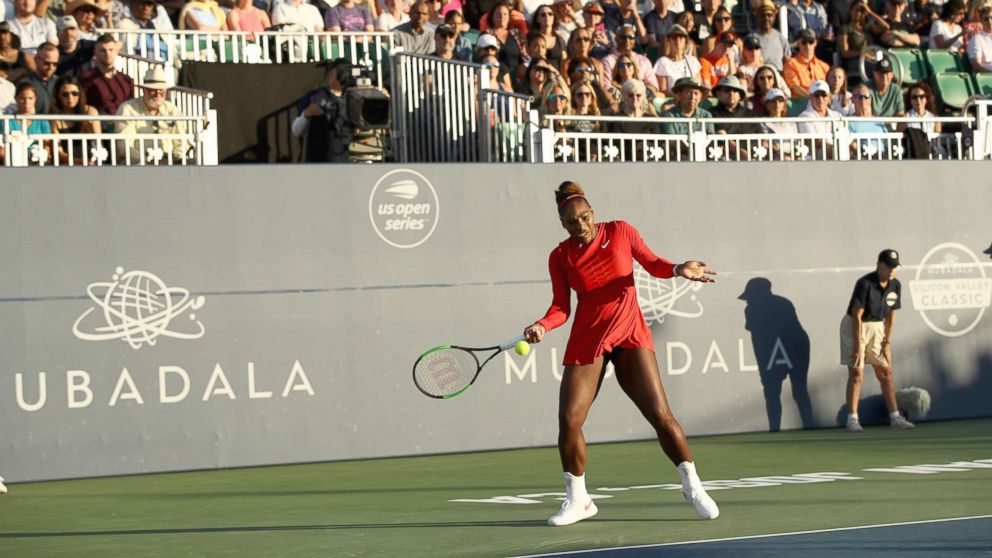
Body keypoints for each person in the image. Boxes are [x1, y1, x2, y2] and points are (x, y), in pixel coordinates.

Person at [522, 181, 720, 527]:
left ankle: (692, 486)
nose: (580, 225)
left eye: (584, 217)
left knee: (660, 415)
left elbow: (653, 263)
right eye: (572, 221)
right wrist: (542, 324)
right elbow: (560, 307)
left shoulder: (621, 231)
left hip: (629, 333)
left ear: (593, 213)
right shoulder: (560, 256)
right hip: (588, 338)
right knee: (569, 420)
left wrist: (679, 269)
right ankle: (579, 499)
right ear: (562, 223)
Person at [841, 249, 915, 432]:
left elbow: (891, 317)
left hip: (877, 327)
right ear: (879, 265)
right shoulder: (865, 283)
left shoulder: (896, 285)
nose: (891, 270)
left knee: (886, 373)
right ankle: (852, 419)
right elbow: (857, 315)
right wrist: (858, 345)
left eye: (895, 267)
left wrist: (887, 343)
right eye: (888, 266)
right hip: (854, 326)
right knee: (857, 374)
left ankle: (895, 418)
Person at [116, 67, 189, 163]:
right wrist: (146, 160)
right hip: (138, 165)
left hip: (170, 164)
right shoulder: (128, 109)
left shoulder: (172, 109)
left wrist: (174, 158)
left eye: (161, 90)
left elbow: (182, 141)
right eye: (153, 90)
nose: (158, 94)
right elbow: (124, 146)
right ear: (144, 90)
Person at [292, 59, 354, 163]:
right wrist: (307, 113)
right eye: (338, 72)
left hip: (347, 161)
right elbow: (296, 131)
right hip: (318, 161)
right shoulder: (315, 96)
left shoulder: (356, 97)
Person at [80, 34, 135, 116]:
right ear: (95, 52)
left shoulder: (127, 80)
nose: (107, 53)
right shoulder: (85, 78)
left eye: (111, 50)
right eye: (103, 50)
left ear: (116, 51)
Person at [51, 75, 99, 163]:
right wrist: (77, 161)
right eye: (65, 94)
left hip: (91, 163)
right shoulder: (55, 117)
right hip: (67, 166)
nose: (70, 98)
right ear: (58, 95)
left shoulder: (90, 112)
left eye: (74, 93)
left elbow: (98, 143)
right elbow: (58, 151)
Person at [838, 0, 887, 78]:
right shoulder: (845, 29)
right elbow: (845, 52)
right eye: (856, 10)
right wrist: (863, 53)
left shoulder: (866, 28)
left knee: (886, 64)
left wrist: (870, 12)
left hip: (870, 59)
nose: (858, 13)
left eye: (861, 11)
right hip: (854, 61)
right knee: (876, 67)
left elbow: (885, 27)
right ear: (850, 11)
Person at [602, 23, 658, 90]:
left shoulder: (643, 60)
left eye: (631, 37)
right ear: (616, 38)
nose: (627, 40)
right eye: (623, 37)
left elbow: (653, 86)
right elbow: (607, 87)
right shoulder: (608, 61)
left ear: (635, 40)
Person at [653, 24, 701, 95]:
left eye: (681, 36)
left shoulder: (693, 61)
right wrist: (681, 97)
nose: (678, 40)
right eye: (674, 37)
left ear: (685, 41)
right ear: (668, 40)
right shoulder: (662, 62)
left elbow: (699, 85)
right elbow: (663, 90)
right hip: (674, 100)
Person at [796, 79, 839, 158]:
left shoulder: (838, 116)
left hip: (837, 152)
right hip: (814, 156)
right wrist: (834, 147)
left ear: (829, 97)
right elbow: (814, 141)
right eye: (816, 95)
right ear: (811, 97)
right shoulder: (804, 117)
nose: (820, 99)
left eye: (824, 95)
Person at [783, 28, 829, 99]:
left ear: (815, 43)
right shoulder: (790, 64)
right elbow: (795, 87)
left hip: (821, 100)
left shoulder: (824, 66)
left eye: (811, 42)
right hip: (801, 103)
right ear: (798, 43)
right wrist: (813, 98)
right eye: (804, 42)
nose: (807, 46)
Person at [847, 81, 889, 157]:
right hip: (863, 160)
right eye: (858, 97)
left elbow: (886, 143)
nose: (863, 100)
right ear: (852, 100)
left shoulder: (879, 122)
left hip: (883, 159)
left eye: (866, 96)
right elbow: (850, 145)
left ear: (870, 99)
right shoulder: (848, 122)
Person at [18, 41, 58, 113]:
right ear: (36, 60)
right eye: (47, 63)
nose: (51, 67)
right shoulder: (25, 83)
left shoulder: (59, 82)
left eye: (55, 64)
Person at [759, 87, 799, 160]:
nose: (777, 104)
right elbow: (765, 143)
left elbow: (796, 143)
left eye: (780, 101)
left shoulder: (791, 123)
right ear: (767, 105)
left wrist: (795, 154)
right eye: (773, 101)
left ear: (784, 104)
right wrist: (783, 153)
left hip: (791, 155)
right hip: (774, 157)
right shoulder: (763, 122)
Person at [752, 0, 789, 71]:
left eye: (769, 15)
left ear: (774, 16)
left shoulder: (781, 39)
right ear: (758, 16)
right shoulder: (751, 38)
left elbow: (787, 62)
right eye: (763, 15)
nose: (766, 18)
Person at [967, 5, 992, 72]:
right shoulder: (976, 39)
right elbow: (976, 66)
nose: (989, 22)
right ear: (981, 21)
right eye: (986, 19)